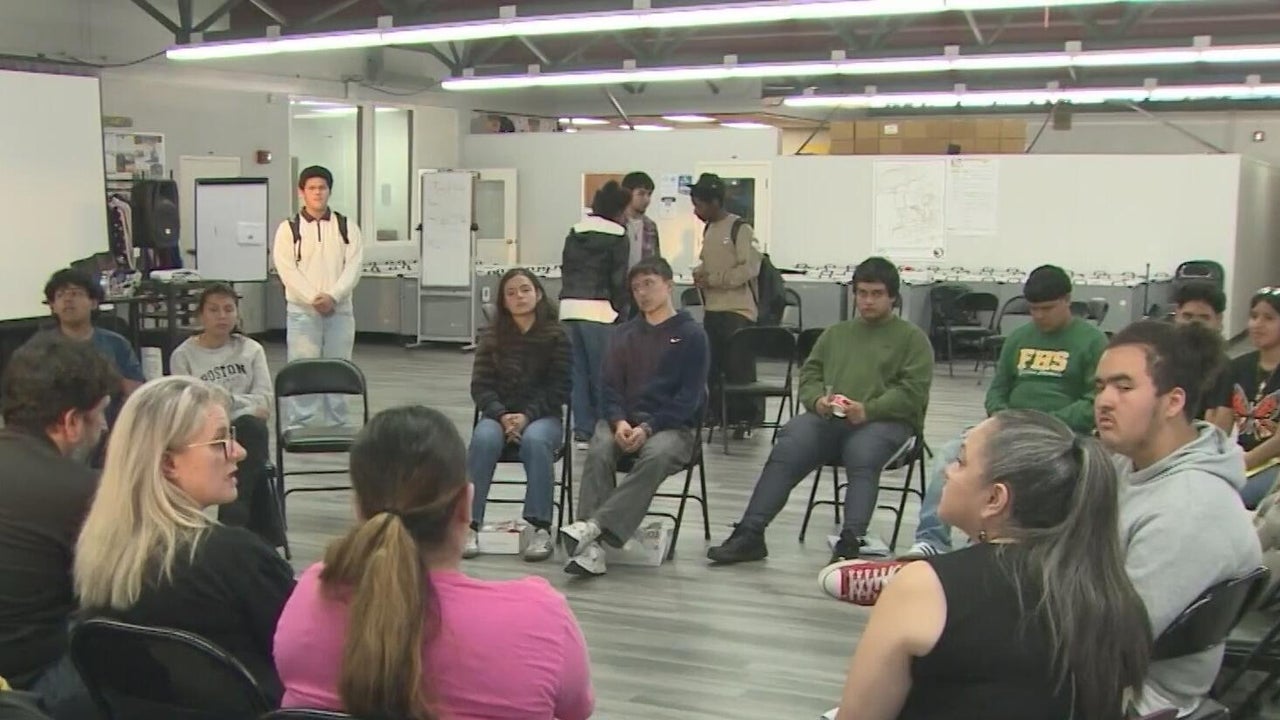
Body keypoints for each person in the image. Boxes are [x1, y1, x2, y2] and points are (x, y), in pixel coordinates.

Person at [274, 405, 594, 720]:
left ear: (358, 509)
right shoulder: (541, 620)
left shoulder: (314, 592)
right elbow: (577, 711)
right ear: (465, 505)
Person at [826, 410, 1151, 720]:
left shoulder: (925, 587)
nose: (947, 471)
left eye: (961, 461)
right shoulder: (1116, 599)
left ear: (995, 499)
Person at [74, 377, 296, 702]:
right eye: (219, 441)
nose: (239, 452)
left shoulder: (99, 558)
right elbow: (308, 654)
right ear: (168, 463)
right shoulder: (236, 558)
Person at [706, 257, 932, 565]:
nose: (867, 301)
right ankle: (750, 533)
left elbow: (912, 393)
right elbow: (810, 375)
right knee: (791, 441)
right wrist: (816, 402)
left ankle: (850, 541)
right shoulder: (836, 334)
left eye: (876, 294)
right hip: (833, 418)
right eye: (862, 293)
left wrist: (869, 410)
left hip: (887, 422)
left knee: (863, 452)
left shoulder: (913, 340)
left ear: (893, 297)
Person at [1095, 320, 1262, 717]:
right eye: (1099, 387)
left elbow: (1109, 643)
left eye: (1123, 387)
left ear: (1173, 402)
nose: (1104, 401)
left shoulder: (1189, 509)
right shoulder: (1129, 465)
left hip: (1132, 698)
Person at [900, 265, 1107, 559]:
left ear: (1067, 300)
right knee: (950, 454)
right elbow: (997, 390)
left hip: (1059, 435)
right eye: (1033, 309)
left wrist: (1048, 422)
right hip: (1011, 428)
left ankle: (987, 539)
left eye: (1047, 309)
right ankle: (932, 540)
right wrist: (1002, 416)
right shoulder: (1019, 338)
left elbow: (1093, 400)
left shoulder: (1092, 341)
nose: (1039, 316)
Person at [560, 257, 709, 577]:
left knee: (657, 453)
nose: (642, 293)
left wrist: (649, 427)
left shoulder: (692, 335)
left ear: (669, 285)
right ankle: (593, 551)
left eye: (649, 284)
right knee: (600, 446)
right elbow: (608, 387)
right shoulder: (623, 334)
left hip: (672, 426)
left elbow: (689, 398)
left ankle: (593, 527)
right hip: (623, 420)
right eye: (636, 287)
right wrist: (619, 421)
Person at [0, 340, 117, 707]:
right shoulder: (83, 491)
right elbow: (121, 593)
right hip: (28, 682)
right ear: (71, 422)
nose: (104, 427)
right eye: (100, 413)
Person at [466, 268, 571, 562]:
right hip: (498, 416)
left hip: (542, 417)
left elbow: (560, 388)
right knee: (483, 439)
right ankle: (468, 524)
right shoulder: (492, 337)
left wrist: (526, 417)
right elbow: (480, 387)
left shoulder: (557, 335)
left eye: (525, 290)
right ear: (503, 301)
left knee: (535, 441)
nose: (519, 297)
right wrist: (502, 416)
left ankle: (540, 527)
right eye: (511, 293)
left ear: (538, 294)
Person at [169, 283, 280, 547]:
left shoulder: (251, 349)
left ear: (237, 314)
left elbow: (265, 402)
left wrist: (225, 401)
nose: (222, 316)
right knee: (252, 439)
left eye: (229, 309)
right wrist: (236, 407)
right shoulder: (183, 355)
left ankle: (233, 522)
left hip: (245, 431)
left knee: (251, 428)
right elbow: (189, 407)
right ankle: (260, 535)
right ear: (200, 315)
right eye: (214, 310)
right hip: (204, 434)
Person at [272, 165, 364, 430]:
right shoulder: (288, 229)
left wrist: (333, 296)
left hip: (340, 311)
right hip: (302, 312)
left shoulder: (347, 227)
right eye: (312, 188)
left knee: (340, 366)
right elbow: (287, 269)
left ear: (329, 191)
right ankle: (301, 424)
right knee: (303, 367)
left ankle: (338, 423)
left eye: (322, 188)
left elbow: (354, 267)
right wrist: (313, 297)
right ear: (301, 192)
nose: (317, 193)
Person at [559, 181, 630, 448]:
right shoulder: (618, 235)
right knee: (603, 373)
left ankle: (582, 431)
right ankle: (603, 427)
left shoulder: (576, 230)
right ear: (618, 209)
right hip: (600, 310)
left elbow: (566, 268)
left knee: (577, 373)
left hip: (569, 307)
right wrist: (620, 310)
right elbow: (618, 279)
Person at [691, 173, 762, 434]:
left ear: (715, 202)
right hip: (713, 309)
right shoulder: (709, 229)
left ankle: (744, 418)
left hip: (737, 311)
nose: (697, 211)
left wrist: (716, 280)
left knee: (738, 368)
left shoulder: (740, 228)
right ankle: (717, 414)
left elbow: (750, 268)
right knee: (714, 367)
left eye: (700, 205)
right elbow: (707, 260)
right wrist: (700, 273)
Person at [35, 267, 145, 427]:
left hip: (111, 427)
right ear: (53, 306)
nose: (67, 300)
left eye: (75, 293)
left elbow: (136, 392)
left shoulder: (116, 344)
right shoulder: (40, 347)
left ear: (93, 303)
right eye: (60, 295)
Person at [1226, 288, 1280, 508]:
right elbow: (1221, 422)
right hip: (1240, 456)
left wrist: (1244, 463)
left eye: (1268, 318)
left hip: (1273, 463)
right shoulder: (1238, 366)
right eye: (1254, 316)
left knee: (1232, 497)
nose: (1258, 324)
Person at [1171, 281, 1233, 432]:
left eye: (1204, 318)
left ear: (1218, 320)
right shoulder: (1159, 357)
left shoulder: (1225, 368)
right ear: (1177, 314)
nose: (1194, 324)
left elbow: (1219, 429)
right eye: (1188, 316)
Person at [621, 171, 662, 271]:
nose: (647, 199)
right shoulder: (616, 224)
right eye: (641, 194)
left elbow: (655, 260)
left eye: (649, 194)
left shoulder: (650, 226)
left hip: (643, 278)